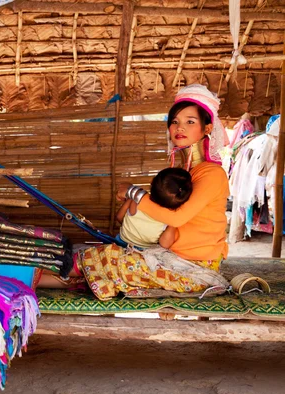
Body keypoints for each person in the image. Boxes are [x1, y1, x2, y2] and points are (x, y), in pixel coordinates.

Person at [66, 84, 231, 299]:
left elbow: (178, 217)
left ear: (207, 128)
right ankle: (37, 273)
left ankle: (32, 275)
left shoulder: (212, 174)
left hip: (194, 268)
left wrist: (133, 193)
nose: (180, 128)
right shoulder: (185, 172)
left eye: (190, 122)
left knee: (106, 260)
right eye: (175, 122)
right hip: (168, 256)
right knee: (98, 257)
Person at [116, 167, 193, 249]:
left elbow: (119, 217)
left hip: (120, 244)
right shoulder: (169, 219)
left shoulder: (137, 199)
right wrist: (173, 224)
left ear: (152, 182)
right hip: (144, 254)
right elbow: (165, 244)